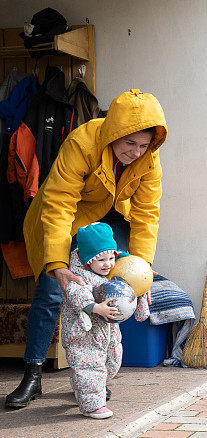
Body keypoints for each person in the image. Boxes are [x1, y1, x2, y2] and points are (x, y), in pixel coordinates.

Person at [5, 89, 167, 409]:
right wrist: (58, 264)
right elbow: (59, 203)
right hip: (68, 217)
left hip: (112, 218)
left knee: (114, 289)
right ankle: (33, 374)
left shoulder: (149, 158)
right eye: (129, 143)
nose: (136, 152)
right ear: (113, 133)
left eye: (144, 146)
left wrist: (141, 268)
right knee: (53, 288)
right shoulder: (82, 142)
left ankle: (94, 376)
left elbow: (147, 213)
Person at [63, 223, 149, 419]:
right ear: (88, 262)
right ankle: (92, 406)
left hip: (108, 333)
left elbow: (132, 292)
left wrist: (141, 293)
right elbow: (75, 293)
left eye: (111, 258)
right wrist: (96, 308)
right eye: (101, 259)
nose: (108, 263)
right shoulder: (81, 278)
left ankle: (86, 388)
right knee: (89, 365)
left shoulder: (114, 275)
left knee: (111, 361)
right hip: (83, 333)